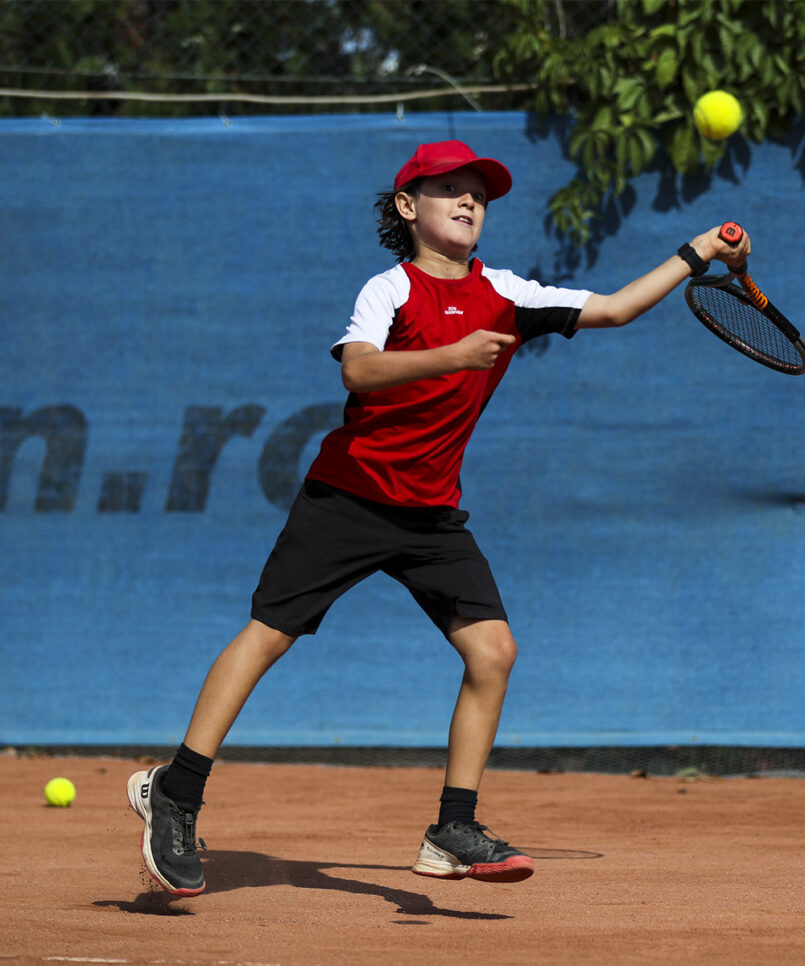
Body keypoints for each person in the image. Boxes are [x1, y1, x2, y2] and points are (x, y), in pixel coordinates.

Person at [127, 139, 750, 897]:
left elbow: (615, 308)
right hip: (348, 498)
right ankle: (177, 792)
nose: (466, 201)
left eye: (477, 195)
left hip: (429, 514)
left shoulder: (507, 293)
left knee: (493, 653)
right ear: (405, 206)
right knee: (267, 638)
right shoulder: (387, 289)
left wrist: (694, 252)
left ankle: (452, 830)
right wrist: (447, 356)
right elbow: (358, 368)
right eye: (448, 188)